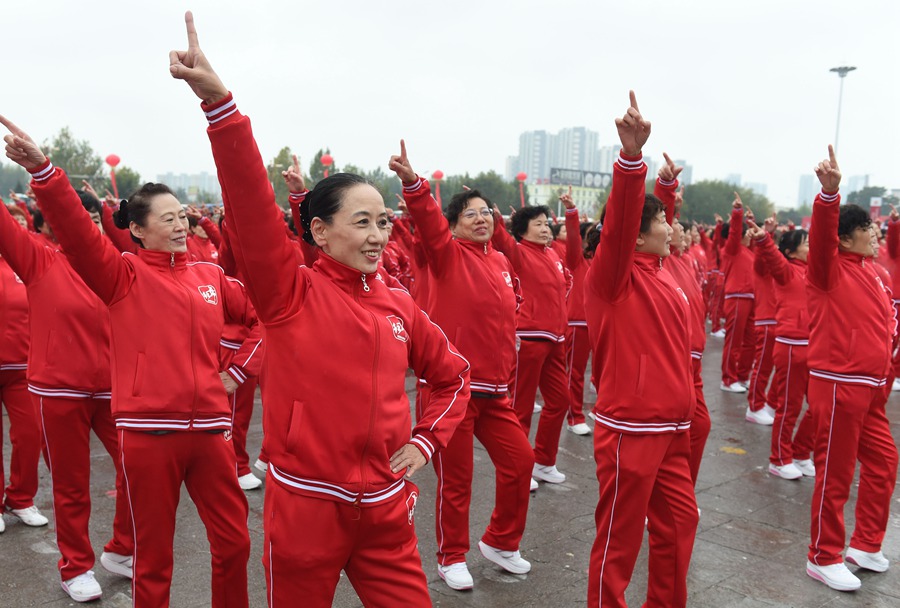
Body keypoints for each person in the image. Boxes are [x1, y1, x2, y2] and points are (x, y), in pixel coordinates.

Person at [168, 12, 470, 606]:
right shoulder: (290, 294)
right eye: (361, 222)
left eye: (383, 221)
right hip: (306, 506)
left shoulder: (399, 305)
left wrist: (426, 441)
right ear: (320, 232)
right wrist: (221, 108)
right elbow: (253, 210)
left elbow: (454, 375)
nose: (378, 235)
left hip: (386, 511)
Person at [2, 113, 256, 606]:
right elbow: (78, 232)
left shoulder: (209, 277)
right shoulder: (124, 276)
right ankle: (80, 563)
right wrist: (43, 171)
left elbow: (266, 317)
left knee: (235, 541)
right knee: (153, 557)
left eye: (182, 216)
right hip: (147, 430)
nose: (181, 225)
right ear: (137, 230)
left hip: (209, 430)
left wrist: (240, 370)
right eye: (168, 218)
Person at [390, 144, 534, 590]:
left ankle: (501, 542)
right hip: (451, 390)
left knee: (521, 462)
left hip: (494, 391)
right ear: (452, 225)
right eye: (470, 214)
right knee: (457, 479)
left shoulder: (501, 260)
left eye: (486, 212)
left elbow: (510, 306)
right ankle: (451, 556)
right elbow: (429, 226)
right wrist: (415, 186)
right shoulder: (446, 254)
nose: (481, 218)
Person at [585, 92, 697, 607]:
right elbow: (624, 221)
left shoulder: (663, 270)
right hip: (631, 425)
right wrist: (632, 160)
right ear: (635, 237)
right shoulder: (614, 278)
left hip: (673, 425)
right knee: (620, 538)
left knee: (680, 524)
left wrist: (666, 189)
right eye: (663, 222)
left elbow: (653, 217)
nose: (672, 228)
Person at [0, 179, 133, 602]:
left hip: (114, 388)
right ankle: (75, 567)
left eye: (93, 218)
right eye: (79, 218)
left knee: (138, 470)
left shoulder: (113, 263)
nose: (87, 225)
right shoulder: (39, 259)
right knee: (71, 486)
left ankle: (122, 550)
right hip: (60, 392)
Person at [804, 146, 898, 592]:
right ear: (843, 239)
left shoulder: (875, 273)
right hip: (838, 382)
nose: (874, 234)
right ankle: (823, 556)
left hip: (871, 388)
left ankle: (866, 544)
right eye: (865, 230)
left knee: (884, 462)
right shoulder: (828, 270)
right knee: (836, 473)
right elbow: (822, 236)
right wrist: (829, 196)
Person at [491, 204, 573, 485]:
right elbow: (502, 240)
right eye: (538, 224)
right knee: (521, 407)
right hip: (530, 337)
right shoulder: (518, 252)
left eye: (546, 223)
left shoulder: (553, 254)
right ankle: (517, 468)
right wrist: (494, 217)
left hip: (556, 338)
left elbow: (566, 282)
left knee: (560, 401)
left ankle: (544, 462)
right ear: (523, 230)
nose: (545, 228)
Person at [720, 194, 756, 392]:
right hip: (737, 297)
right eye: (746, 233)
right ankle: (727, 379)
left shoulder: (749, 252)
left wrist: (751, 223)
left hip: (751, 298)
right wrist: (737, 213)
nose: (749, 235)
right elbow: (734, 232)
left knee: (750, 341)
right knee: (734, 340)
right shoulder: (732, 249)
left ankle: (742, 376)